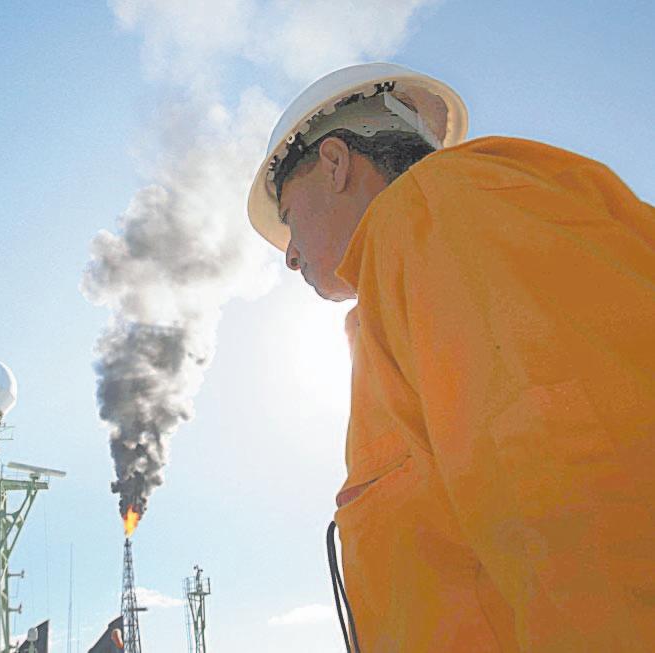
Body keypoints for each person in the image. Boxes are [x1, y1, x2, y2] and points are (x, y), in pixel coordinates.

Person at [246, 63, 655, 652]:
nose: (289, 256)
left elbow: (581, 488)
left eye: (287, 218)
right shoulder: (409, 270)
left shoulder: (441, 208)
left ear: (334, 163)